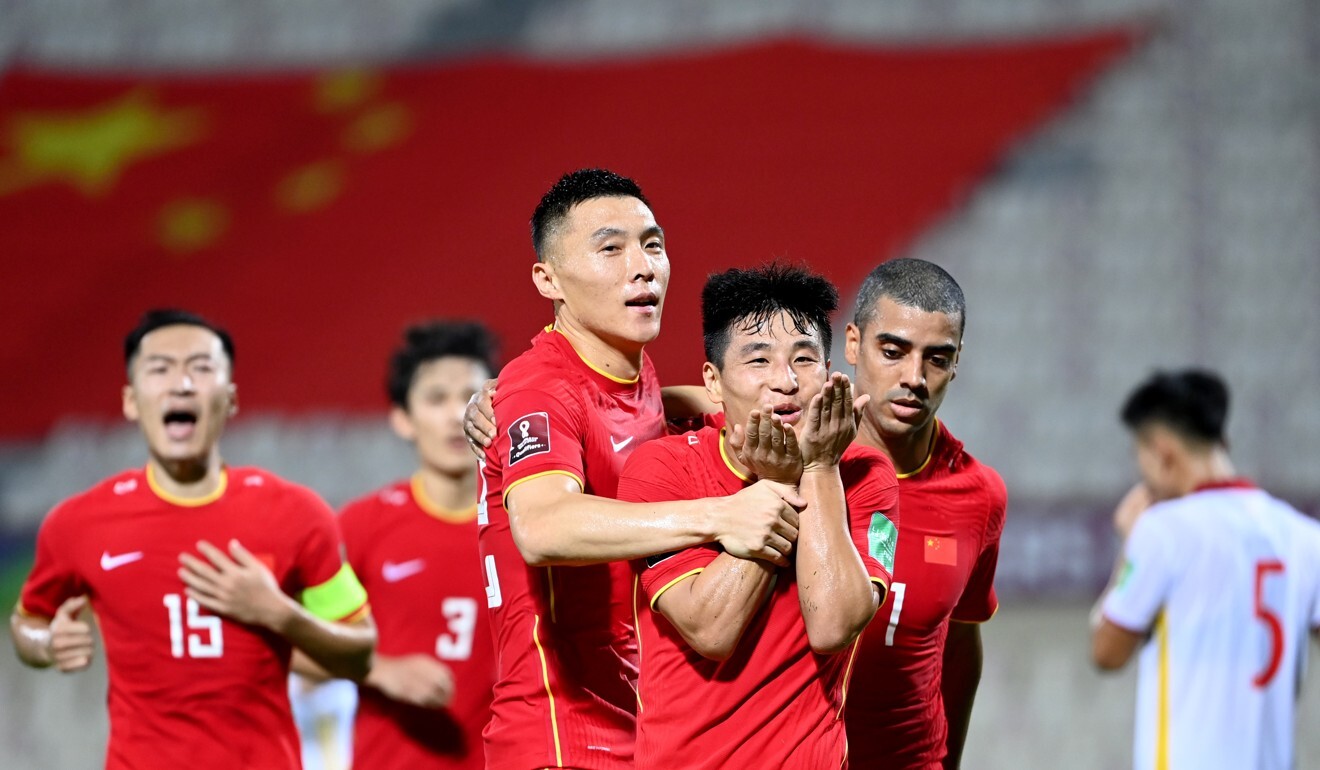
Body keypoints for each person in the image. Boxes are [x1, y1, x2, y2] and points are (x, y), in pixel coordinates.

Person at [477, 168, 804, 770]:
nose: (643, 266)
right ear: (548, 279)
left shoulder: (629, 370)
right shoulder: (539, 388)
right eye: (611, 248)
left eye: (652, 244)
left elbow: (638, 415)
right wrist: (722, 516)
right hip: (558, 737)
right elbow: (542, 525)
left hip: (633, 726)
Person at [8, 308, 375, 770]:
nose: (181, 384)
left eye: (201, 369)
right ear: (129, 400)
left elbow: (360, 652)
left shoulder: (297, 514)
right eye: (159, 369)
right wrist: (45, 644)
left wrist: (279, 612)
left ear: (231, 397)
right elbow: (28, 620)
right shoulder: (78, 523)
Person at [618, 263, 899, 770]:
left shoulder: (868, 475)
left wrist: (817, 468)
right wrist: (782, 481)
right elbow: (710, 629)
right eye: (758, 359)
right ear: (714, 381)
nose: (785, 382)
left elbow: (834, 626)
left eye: (805, 359)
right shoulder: (660, 468)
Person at [1092, 369, 1320, 770]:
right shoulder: (1304, 536)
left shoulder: (1162, 531)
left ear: (1162, 453)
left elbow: (1107, 652)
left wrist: (1129, 545)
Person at [842, 258, 1006, 770]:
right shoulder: (795, 460)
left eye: (937, 358)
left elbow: (959, 644)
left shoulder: (979, 496)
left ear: (956, 363)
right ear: (852, 344)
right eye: (892, 352)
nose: (914, 377)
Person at [336, 321, 498, 769]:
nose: (454, 415)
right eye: (435, 398)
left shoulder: (527, 528)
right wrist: (378, 669)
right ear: (402, 419)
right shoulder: (361, 526)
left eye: (469, 396)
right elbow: (294, 643)